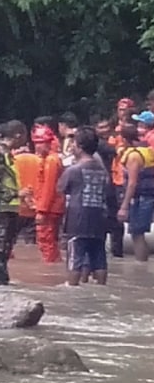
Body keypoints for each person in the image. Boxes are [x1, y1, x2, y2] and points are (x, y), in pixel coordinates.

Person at [59, 127, 116, 285]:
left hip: (78, 220)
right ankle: (101, 290)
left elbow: (61, 190)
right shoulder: (103, 171)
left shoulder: (73, 170)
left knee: (74, 260)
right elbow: (109, 194)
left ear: (79, 146)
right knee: (99, 259)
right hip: (100, 219)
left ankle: (73, 293)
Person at [0, 123, 27, 286]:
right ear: (18, 135)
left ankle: (2, 285)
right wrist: (16, 194)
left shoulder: (8, 155)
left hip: (7, 207)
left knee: (5, 250)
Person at [117, 122, 154, 262]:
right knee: (138, 233)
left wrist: (124, 206)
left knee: (137, 234)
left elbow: (132, 183)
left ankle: (141, 265)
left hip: (140, 198)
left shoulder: (133, 156)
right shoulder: (148, 150)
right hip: (148, 196)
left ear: (125, 139)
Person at [32, 124, 65, 263]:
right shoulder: (49, 159)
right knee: (49, 241)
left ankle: (51, 265)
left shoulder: (51, 161)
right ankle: (53, 264)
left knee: (46, 239)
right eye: (36, 143)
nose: (37, 146)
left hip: (50, 209)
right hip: (52, 207)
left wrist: (42, 210)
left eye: (40, 143)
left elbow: (49, 188)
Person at [96, 115, 126, 258]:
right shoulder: (99, 143)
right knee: (110, 220)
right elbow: (115, 151)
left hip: (113, 184)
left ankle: (116, 251)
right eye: (101, 127)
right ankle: (111, 251)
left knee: (115, 221)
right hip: (104, 185)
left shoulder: (111, 141)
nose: (104, 130)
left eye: (106, 126)